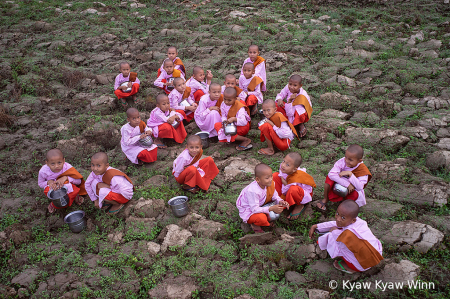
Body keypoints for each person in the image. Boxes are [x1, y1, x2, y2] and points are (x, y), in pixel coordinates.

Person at [309, 200, 383, 274]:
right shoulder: (359, 222)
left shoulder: (345, 237)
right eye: (337, 213)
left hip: (363, 265)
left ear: (353, 220)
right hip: (377, 254)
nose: (338, 218)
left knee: (331, 237)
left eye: (343, 218)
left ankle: (351, 268)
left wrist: (333, 231)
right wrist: (317, 226)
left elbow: (338, 251)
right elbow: (337, 224)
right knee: (337, 231)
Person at [315, 144, 372, 212]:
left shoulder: (363, 170)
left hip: (352, 189)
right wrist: (347, 184)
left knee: (355, 195)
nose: (347, 161)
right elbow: (331, 174)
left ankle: (344, 206)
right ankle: (326, 199)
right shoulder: (342, 161)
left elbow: (360, 187)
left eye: (350, 160)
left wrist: (350, 174)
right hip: (341, 183)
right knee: (329, 179)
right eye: (346, 157)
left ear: (359, 161)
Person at [236, 163, 289, 233]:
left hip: (261, 204)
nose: (270, 179)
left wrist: (281, 201)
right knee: (262, 218)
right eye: (267, 178)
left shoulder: (270, 184)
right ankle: (254, 225)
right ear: (258, 179)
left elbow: (274, 195)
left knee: (275, 210)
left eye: (271, 176)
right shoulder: (253, 191)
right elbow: (254, 209)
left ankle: (266, 219)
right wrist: (271, 209)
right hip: (249, 210)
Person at [38, 149, 86, 213]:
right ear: (47, 163)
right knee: (48, 190)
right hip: (53, 189)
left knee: (73, 189)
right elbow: (40, 184)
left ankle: (74, 197)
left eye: (59, 162)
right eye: (52, 164)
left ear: (63, 161)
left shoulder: (67, 167)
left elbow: (79, 181)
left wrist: (65, 178)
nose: (56, 166)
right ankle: (54, 204)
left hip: (67, 187)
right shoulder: (43, 171)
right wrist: (48, 182)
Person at [272, 152, 316, 220]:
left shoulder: (296, 177)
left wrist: (282, 203)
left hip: (301, 194)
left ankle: (299, 205)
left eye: (287, 165)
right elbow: (281, 174)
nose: (283, 165)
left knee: (293, 189)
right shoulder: (283, 167)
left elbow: (288, 187)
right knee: (275, 176)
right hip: (287, 188)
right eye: (283, 161)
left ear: (294, 169)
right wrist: (282, 178)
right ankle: (275, 197)